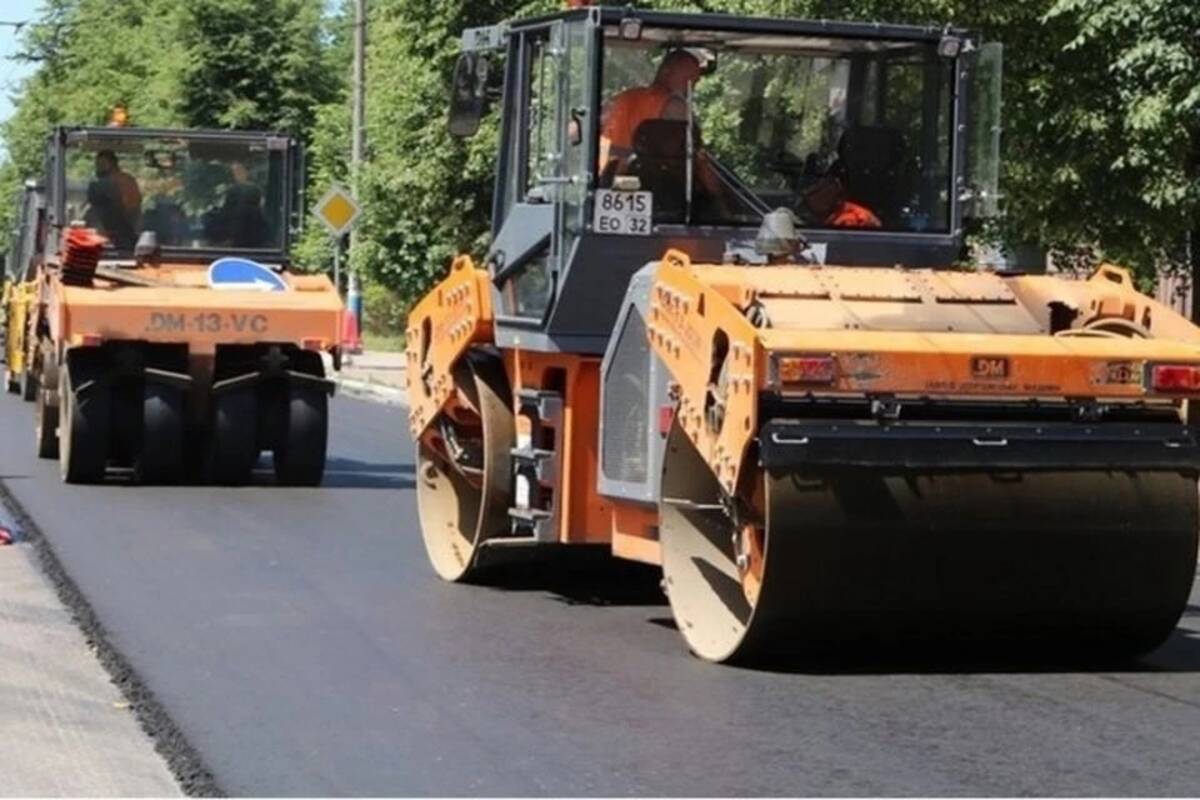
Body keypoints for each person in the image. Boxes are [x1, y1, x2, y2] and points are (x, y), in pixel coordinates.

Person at [86, 150, 142, 248]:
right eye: (97, 164)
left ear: (113, 164)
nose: (98, 168)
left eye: (102, 164)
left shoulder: (125, 182)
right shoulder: (99, 187)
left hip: (123, 237)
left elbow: (131, 210)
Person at [801, 171, 882, 229]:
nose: (815, 197)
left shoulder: (856, 218)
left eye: (818, 191)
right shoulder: (803, 215)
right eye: (811, 194)